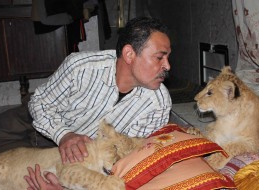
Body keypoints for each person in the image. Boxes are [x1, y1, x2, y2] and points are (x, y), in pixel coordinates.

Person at [23, 16, 172, 189]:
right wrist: (64, 134)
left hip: (73, 160)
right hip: (33, 124)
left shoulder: (158, 104)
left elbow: (126, 161)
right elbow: (39, 103)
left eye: (168, 58)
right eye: (159, 57)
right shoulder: (81, 67)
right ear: (129, 54)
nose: (167, 66)